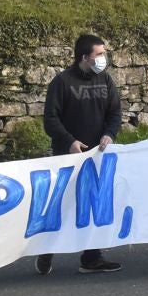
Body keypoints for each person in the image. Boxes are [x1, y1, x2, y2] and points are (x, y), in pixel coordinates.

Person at [37, 33, 124, 275]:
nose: (104, 58)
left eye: (104, 54)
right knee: (62, 206)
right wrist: (69, 142)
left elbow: (115, 113)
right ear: (84, 57)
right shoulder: (62, 83)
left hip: (97, 154)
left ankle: (92, 258)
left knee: (94, 205)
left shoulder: (105, 80)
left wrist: (109, 134)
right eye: (100, 54)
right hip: (67, 156)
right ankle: (46, 250)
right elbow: (50, 120)